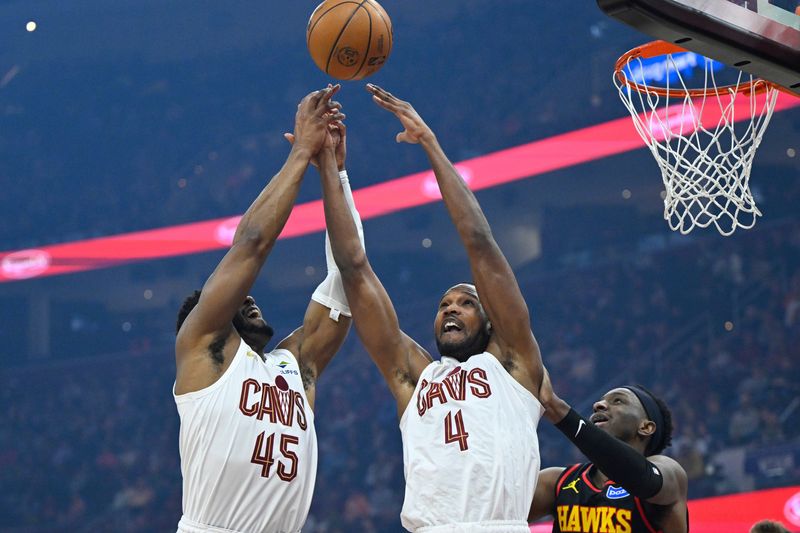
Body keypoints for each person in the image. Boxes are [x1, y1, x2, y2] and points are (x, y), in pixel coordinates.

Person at [317, 84, 546, 533]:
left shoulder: (514, 364)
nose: (451, 309)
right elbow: (354, 269)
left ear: (492, 322)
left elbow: (479, 243)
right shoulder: (415, 378)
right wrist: (333, 169)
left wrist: (430, 144)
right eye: (444, 304)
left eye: (466, 302)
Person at [173, 85, 361, 533]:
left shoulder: (295, 365)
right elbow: (252, 244)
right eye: (234, 300)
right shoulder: (203, 349)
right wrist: (300, 153)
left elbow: (349, 278)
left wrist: (334, 172)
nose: (248, 297)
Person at [529, 372, 689, 532]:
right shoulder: (558, 481)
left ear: (645, 427)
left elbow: (645, 479)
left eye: (618, 401)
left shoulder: (671, 474)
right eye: (601, 400)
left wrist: (557, 408)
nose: (598, 405)